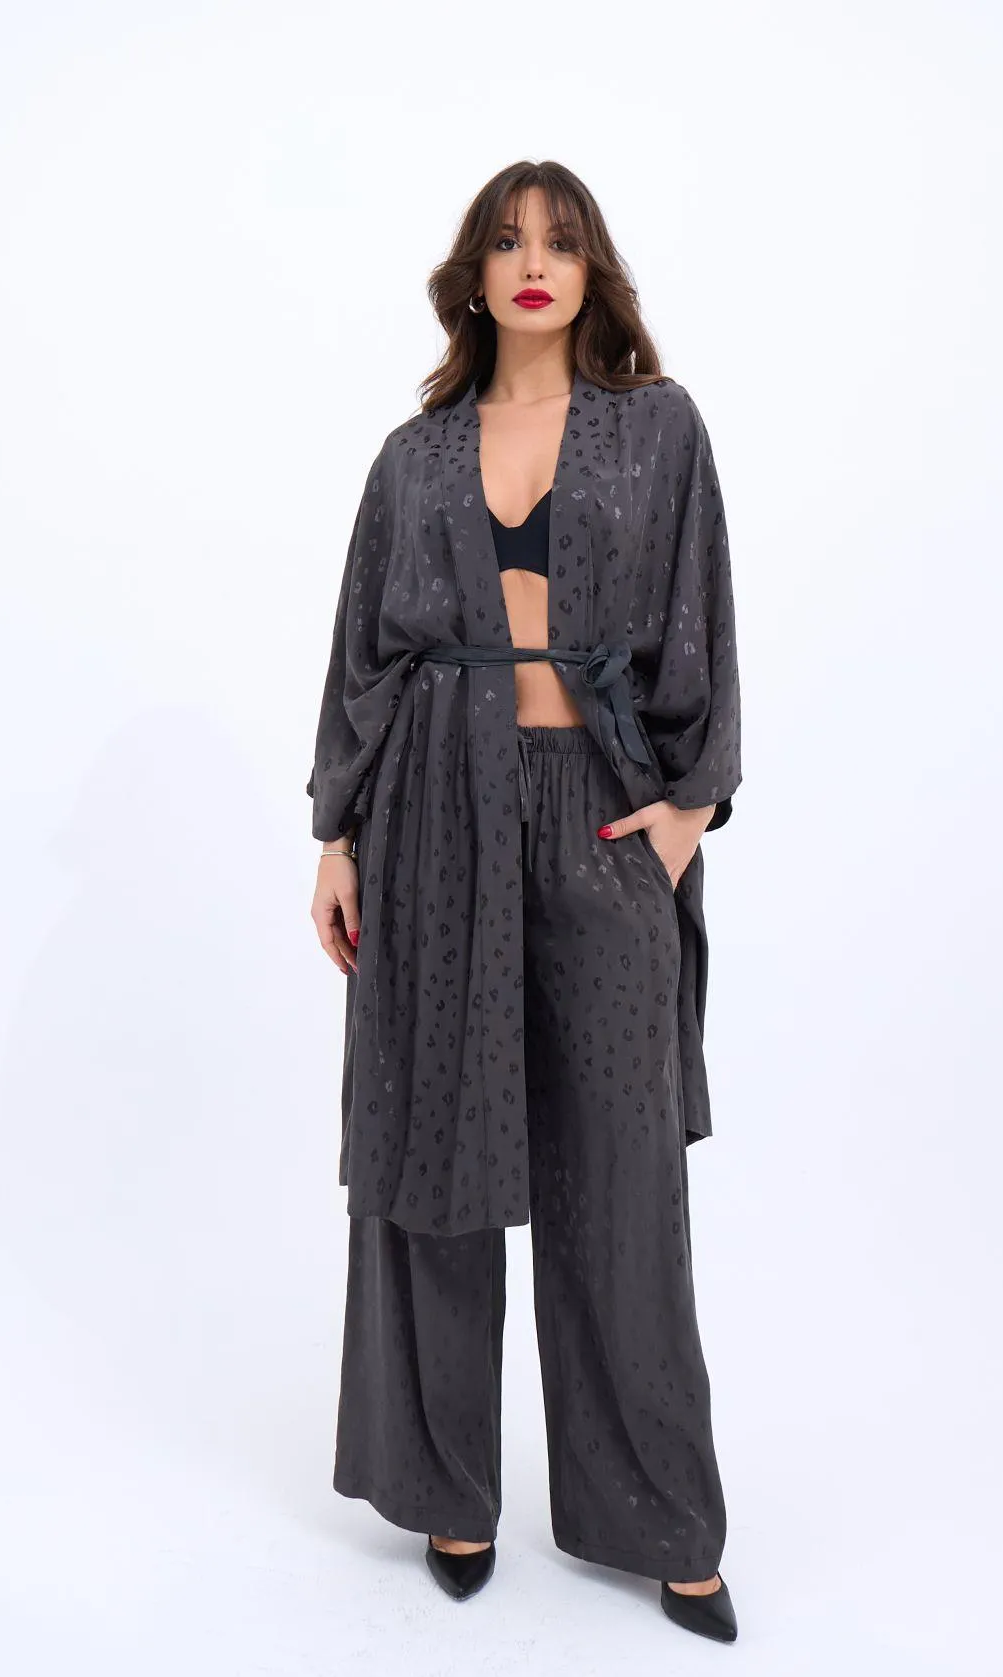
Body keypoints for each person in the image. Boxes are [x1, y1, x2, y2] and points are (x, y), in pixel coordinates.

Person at [306, 160, 743, 1644]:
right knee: (437, 1154)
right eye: (506, 240)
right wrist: (339, 837)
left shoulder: (657, 428)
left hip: (599, 813)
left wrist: (687, 813)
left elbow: (701, 620)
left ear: (592, 267)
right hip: (432, 812)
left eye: (558, 240)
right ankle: (450, 1489)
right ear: (474, 276)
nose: (533, 261)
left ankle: (664, 1520)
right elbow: (364, 657)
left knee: (621, 1182)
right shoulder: (413, 458)